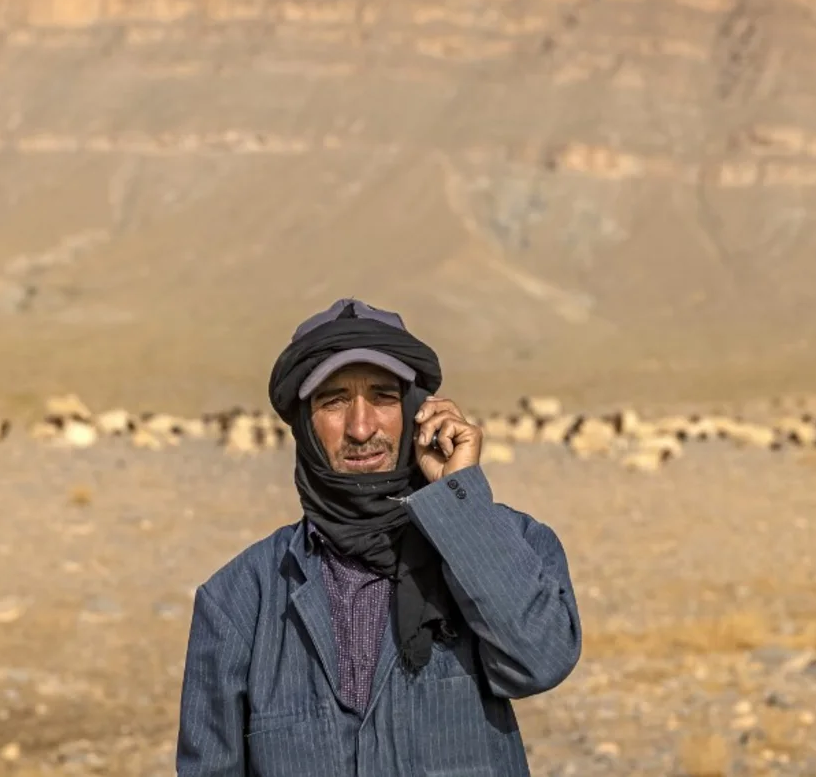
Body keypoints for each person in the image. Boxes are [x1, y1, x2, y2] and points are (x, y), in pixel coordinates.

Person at [175, 298, 582, 776]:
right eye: (334, 401)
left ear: (416, 411)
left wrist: (459, 500)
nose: (361, 427)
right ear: (305, 425)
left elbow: (540, 661)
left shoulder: (507, 543)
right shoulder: (240, 600)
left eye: (384, 397)